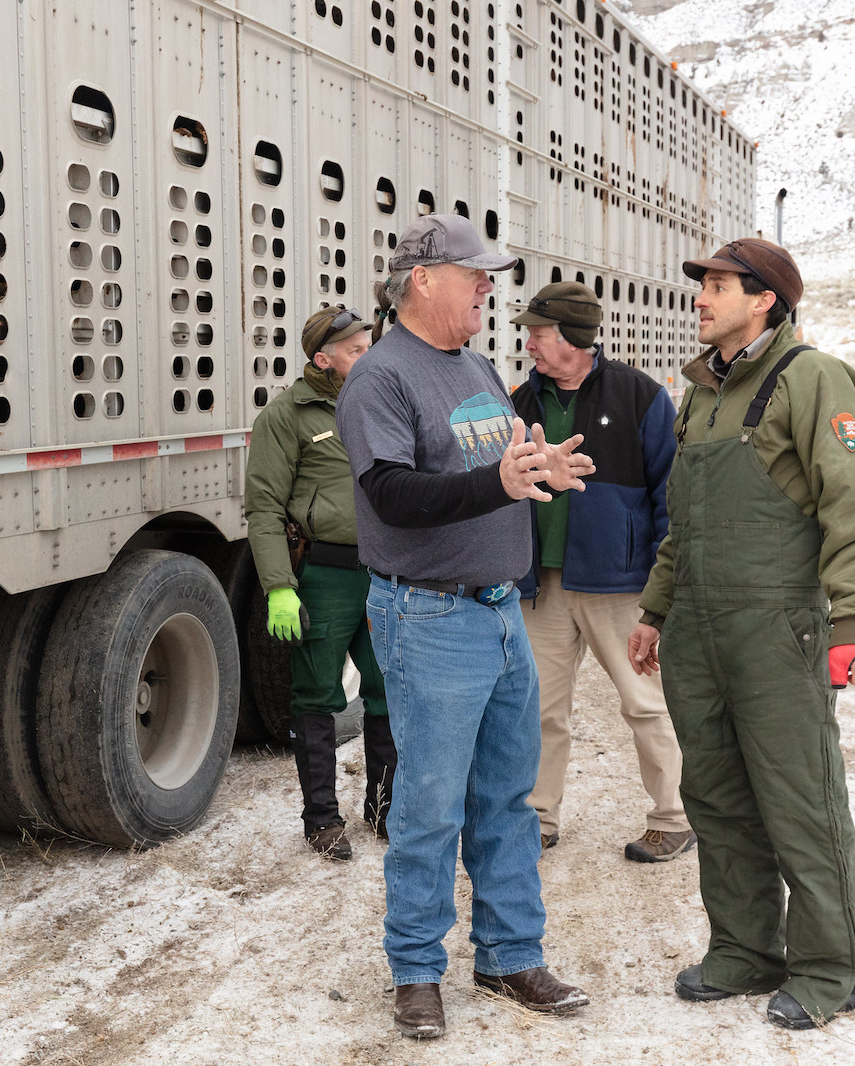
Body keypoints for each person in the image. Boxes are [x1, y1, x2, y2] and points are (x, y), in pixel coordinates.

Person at [336, 214, 595, 1040]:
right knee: (430, 804)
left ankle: (510, 955)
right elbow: (392, 493)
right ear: (421, 278)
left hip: (499, 611)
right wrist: (497, 485)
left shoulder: (477, 364)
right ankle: (417, 971)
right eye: (475, 274)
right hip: (429, 615)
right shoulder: (380, 377)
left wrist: (538, 468)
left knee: (506, 799)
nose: (489, 287)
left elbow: (496, 465)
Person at [626, 238, 855, 1030]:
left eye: (718, 285)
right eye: (703, 284)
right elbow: (685, 524)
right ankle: (745, 948)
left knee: (800, 801)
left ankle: (831, 968)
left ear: (765, 299)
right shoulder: (702, 395)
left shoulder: (811, 380)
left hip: (777, 627)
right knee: (715, 797)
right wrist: (654, 610)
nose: (701, 298)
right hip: (702, 631)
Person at [508, 282, 694, 862]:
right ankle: (537, 817)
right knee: (537, 708)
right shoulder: (522, 400)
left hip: (621, 584)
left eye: (537, 333)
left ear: (571, 337)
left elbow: (672, 495)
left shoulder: (640, 396)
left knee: (644, 702)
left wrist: (663, 590)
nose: (529, 343)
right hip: (541, 586)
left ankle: (675, 816)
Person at [244, 306, 394, 861]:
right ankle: (322, 820)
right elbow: (262, 509)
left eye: (368, 346)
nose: (367, 356)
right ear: (322, 359)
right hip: (324, 575)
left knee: (387, 689)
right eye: (356, 350)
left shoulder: (381, 402)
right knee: (316, 698)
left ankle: (383, 807)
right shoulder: (286, 417)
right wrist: (279, 586)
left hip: (383, 573)